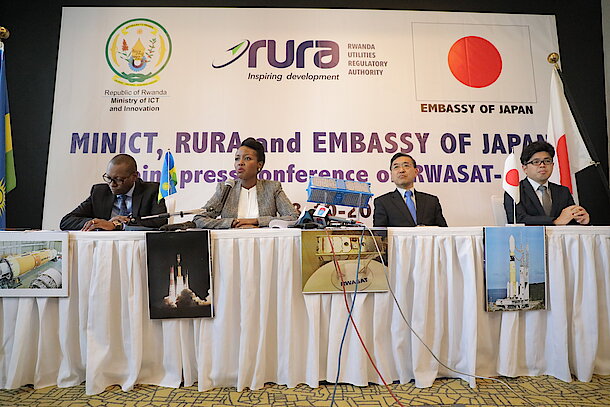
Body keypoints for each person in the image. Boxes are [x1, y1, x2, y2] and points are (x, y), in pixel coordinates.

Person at [184, 137, 299, 229]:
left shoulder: (272, 188)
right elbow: (199, 219)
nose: (240, 163)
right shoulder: (225, 188)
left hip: (265, 245)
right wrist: (232, 223)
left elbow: (293, 217)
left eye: (247, 158)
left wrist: (255, 221)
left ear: (259, 164)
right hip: (230, 246)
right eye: (237, 158)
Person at [60, 154, 168, 231]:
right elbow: (66, 221)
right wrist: (98, 223)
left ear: (134, 176)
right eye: (108, 178)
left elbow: (160, 222)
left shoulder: (151, 190)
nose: (112, 184)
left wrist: (118, 225)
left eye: (118, 179)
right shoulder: (99, 192)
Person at [503, 140, 589, 225]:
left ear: (552, 165)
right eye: (536, 162)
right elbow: (517, 219)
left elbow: (569, 220)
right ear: (525, 168)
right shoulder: (514, 191)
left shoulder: (563, 192)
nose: (542, 165)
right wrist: (555, 221)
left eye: (547, 161)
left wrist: (581, 220)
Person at [373, 152, 447, 227]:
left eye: (406, 166)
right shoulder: (382, 202)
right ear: (391, 175)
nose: (401, 170)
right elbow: (379, 233)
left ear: (416, 172)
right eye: (396, 167)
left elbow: (444, 231)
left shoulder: (431, 201)